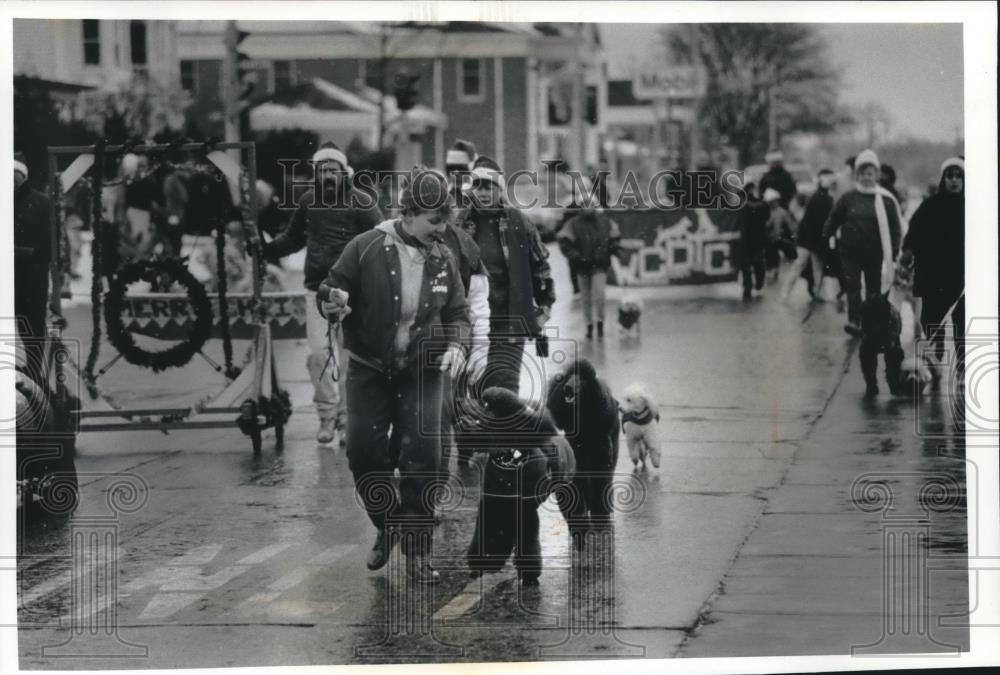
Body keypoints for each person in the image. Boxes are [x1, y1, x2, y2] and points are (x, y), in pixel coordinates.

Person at [317, 167, 470, 584]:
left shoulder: (443, 257)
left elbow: (458, 313)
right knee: (364, 454)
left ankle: (419, 553)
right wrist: (333, 302)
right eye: (433, 220)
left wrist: (458, 344)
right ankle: (389, 525)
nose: (441, 229)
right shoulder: (365, 247)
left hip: (423, 369)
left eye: (446, 220)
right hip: (369, 367)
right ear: (409, 212)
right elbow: (331, 288)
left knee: (424, 456)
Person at [264, 142, 384, 444]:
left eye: (333, 169)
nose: (327, 175)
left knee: (351, 359)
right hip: (317, 289)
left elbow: (383, 241)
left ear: (345, 173)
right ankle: (327, 416)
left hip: (357, 293)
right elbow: (292, 239)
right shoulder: (307, 201)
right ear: (316, 174)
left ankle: (349, 419)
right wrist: (264, 248)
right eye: (322, 170)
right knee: (319, 356)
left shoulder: (363, 202)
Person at [459, 155, 555, 394]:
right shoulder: (459, 223)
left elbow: (540, 265)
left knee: (504, 388)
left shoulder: (519, 222)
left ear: (500, 190)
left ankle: (502, 431)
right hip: (468, 321)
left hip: (509, 322)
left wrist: (544, 306)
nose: (483, 192)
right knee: (473, 388)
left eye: (489, 186)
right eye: (478, 186)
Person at [822, 149, 903, 336]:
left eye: (870, 174)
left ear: (876, 175)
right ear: (856, 175)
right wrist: (826, 237)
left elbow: (895, 227)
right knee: (853, 286)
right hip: (850, 252)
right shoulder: (848, 198)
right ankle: (854, 320)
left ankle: (871, 322)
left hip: (874, 253)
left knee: (874, 288)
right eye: (862, 174)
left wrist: (896, 248)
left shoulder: (886, 200)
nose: (866, 177)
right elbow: (834, 218)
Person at [900, 157, 965, 378]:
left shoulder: (975, 205)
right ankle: (934, 362)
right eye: (950, 176)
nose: (954, 181)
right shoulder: (931, 205)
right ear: (943, 178)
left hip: (962, 276)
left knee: (961, 322)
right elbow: (913, 231)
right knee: (931, 320)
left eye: (958, 176)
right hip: (934, 275)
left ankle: (963, 369)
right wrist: (907, 254)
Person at [556, 200, 624, 338]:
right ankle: (589, 325)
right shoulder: (573, 223)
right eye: (585, 204)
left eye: (590, 204)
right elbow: (564, 240)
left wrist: (614, 248)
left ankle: (600, 322)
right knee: (585, 298)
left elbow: (614, 236)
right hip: (582, 266)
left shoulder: (604, 221)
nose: (588, 207)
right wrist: (575, 255)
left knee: (599, 295)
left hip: (599, 264)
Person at [14, 154, 53, 366]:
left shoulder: (41, 202)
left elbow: (51, 242)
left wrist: (25, 253)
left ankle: (35, 369)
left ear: (23, 175)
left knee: (33, 325)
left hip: (33, 276)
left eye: (15, 174)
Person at [782, 169, 836, 301]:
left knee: (807, 265)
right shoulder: (823, 198)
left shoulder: (819, 197)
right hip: (809, 238)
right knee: (808, 264)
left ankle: (812, 292)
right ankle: (789, 292)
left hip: (809, 237)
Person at [737, 182, 770, 301]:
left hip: (748, 237)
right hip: (757, 236)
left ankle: (749, 286)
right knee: (756, 262)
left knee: (748, 263)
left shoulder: (742, 203)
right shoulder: (762, 203)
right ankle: (755, 285)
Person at [763, 187, 797, 282]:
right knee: (770, 254)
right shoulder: (766, 211)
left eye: (776, 201)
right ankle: (771, 269)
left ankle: (774, 269)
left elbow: (790, 224)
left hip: (776, 237)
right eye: (773, 201)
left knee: (774, 253)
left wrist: (794, 234)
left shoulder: (780, 211)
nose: (775, 203)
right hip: (768, 238)